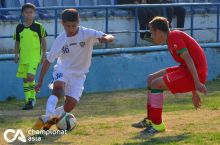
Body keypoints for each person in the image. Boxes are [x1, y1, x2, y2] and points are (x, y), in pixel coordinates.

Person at [32, 9, 114, 130]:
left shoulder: (87, 33)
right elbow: (48, 60)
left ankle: (48, 121)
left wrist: (107, 39)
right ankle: (48, 116)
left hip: (79, 75)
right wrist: (40, 81)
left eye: (73, 26)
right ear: (62, 23)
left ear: (78, 22)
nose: (70, 29)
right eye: (67, 26)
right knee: (58, 90)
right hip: (63, 68)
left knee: (69, 106)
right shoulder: (60, 39)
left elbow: (110, 36)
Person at [132, 17, 208, 134]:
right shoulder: (171, 38)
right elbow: (190, 60)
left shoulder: (174, 37)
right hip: (186, 70)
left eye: (152, 33)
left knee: (156, 84)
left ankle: (157, 125)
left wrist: (197, 84)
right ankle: (151, 120)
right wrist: (194, 92)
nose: (151, 36)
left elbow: (188, 59)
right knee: (151, 79)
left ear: (158, 32)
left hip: (194, 73)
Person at [14, 3, 47, 110]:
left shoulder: (39, 26)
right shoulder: (19, 27)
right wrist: (16, 55)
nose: (29, 14)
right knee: (24, 80)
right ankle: (28, 100)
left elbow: (43, 41)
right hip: (23, 58)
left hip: (34, 58)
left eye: (31, 12)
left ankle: (32, 98)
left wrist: (43, 55)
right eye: (26, 12)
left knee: (30, 77)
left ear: (34, 13)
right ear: (22, 14)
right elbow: (17, 42)